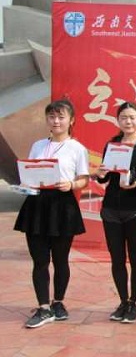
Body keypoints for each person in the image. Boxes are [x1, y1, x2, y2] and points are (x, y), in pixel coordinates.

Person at [14, 99, 90, 328]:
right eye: (52, 117)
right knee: (40, 260)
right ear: (47, 120)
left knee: (60, 259)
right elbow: (30, 173)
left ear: (71, 120)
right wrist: (25, 183)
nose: (56, 121)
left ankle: (58, 302)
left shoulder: (77, 148)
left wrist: (71, 185)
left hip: (62, 206)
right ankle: (43, 307)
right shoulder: (38, 145)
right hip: (36, 206)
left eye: (61, 117)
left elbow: (84, 179)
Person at [96, 101, 136, 324]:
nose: (128, 121)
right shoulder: (112, 144)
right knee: (117, 258)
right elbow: (105, 177)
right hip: (111, 209)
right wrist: (100, 173)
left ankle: (133, 302)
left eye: (132, 117)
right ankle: (123, 300)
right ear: (118, 120)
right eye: (123, 118)